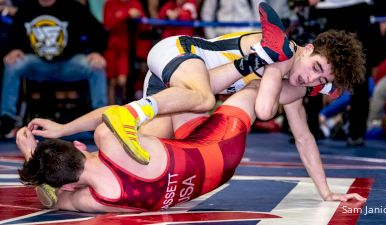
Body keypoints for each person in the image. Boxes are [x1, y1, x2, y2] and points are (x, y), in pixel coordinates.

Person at [17, 80, 366, 212]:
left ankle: (209, 93)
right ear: (79, 149)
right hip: (216, 150)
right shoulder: (107, 140)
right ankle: (314, 87)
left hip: (210, 178)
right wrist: (60, 130)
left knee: (166, 116)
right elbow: (108, 117)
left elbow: (56, 199)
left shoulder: (91, 200)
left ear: (71, 182)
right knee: (255, 89)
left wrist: (32, 159)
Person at [102, 2, 365, 165]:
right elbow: (261, 109)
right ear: (307, 49)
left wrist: (326, 191)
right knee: (202, 101)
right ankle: (119, 118)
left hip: (186, 82)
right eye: (315, 71)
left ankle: (72, 152)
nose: (309, 79)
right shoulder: (279, 58)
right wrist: (273, 71)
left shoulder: (291, 75)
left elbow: (304, 138)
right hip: (181, 55)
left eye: (319, 81)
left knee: (147, 150)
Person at [0, 0, 108, 138]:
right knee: (13, 64)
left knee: (96, 67)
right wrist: (13, 49)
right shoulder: (26, 8)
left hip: (68, 63)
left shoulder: (73, 6)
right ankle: (7, 120)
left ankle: (99, 119)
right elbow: (13, 35)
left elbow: (98, 31)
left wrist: (96, 52)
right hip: (37, 64)